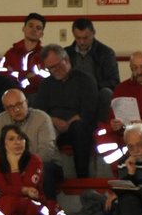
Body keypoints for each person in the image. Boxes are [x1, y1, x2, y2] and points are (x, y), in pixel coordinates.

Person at [32, 44, 100, 178]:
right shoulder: (46, 84)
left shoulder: (86, 79)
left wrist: (68, 123)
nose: (55, 70)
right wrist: (55, 121)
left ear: (67, 60)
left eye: (58, 65)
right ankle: (46, 175)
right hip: (53, 126)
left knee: (79, 128)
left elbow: (88, 110)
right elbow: (40, 112)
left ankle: (82, 177)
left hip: (78, 124)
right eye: (51, 67)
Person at [0, 90, 62, 199]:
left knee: (45, 171)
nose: (16, 110)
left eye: (19, 104)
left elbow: (46, 151)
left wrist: (21, 168)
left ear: (26, 102)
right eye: (10, 107)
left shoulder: (41, 118)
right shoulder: (0, 120)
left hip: (42, 163)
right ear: (5, 109)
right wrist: (12, 167)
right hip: (10, 165)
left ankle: (49, 209)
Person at [0, 122, 50, 215]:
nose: (17, 142)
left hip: (32, 208)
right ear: (3, 143)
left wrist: (14, 166)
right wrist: (24, 190)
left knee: (11, 200)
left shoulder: (34, 160)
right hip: (9, 210)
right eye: (11, 139)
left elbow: (21, 194)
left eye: (21, 138)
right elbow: (3, 188)